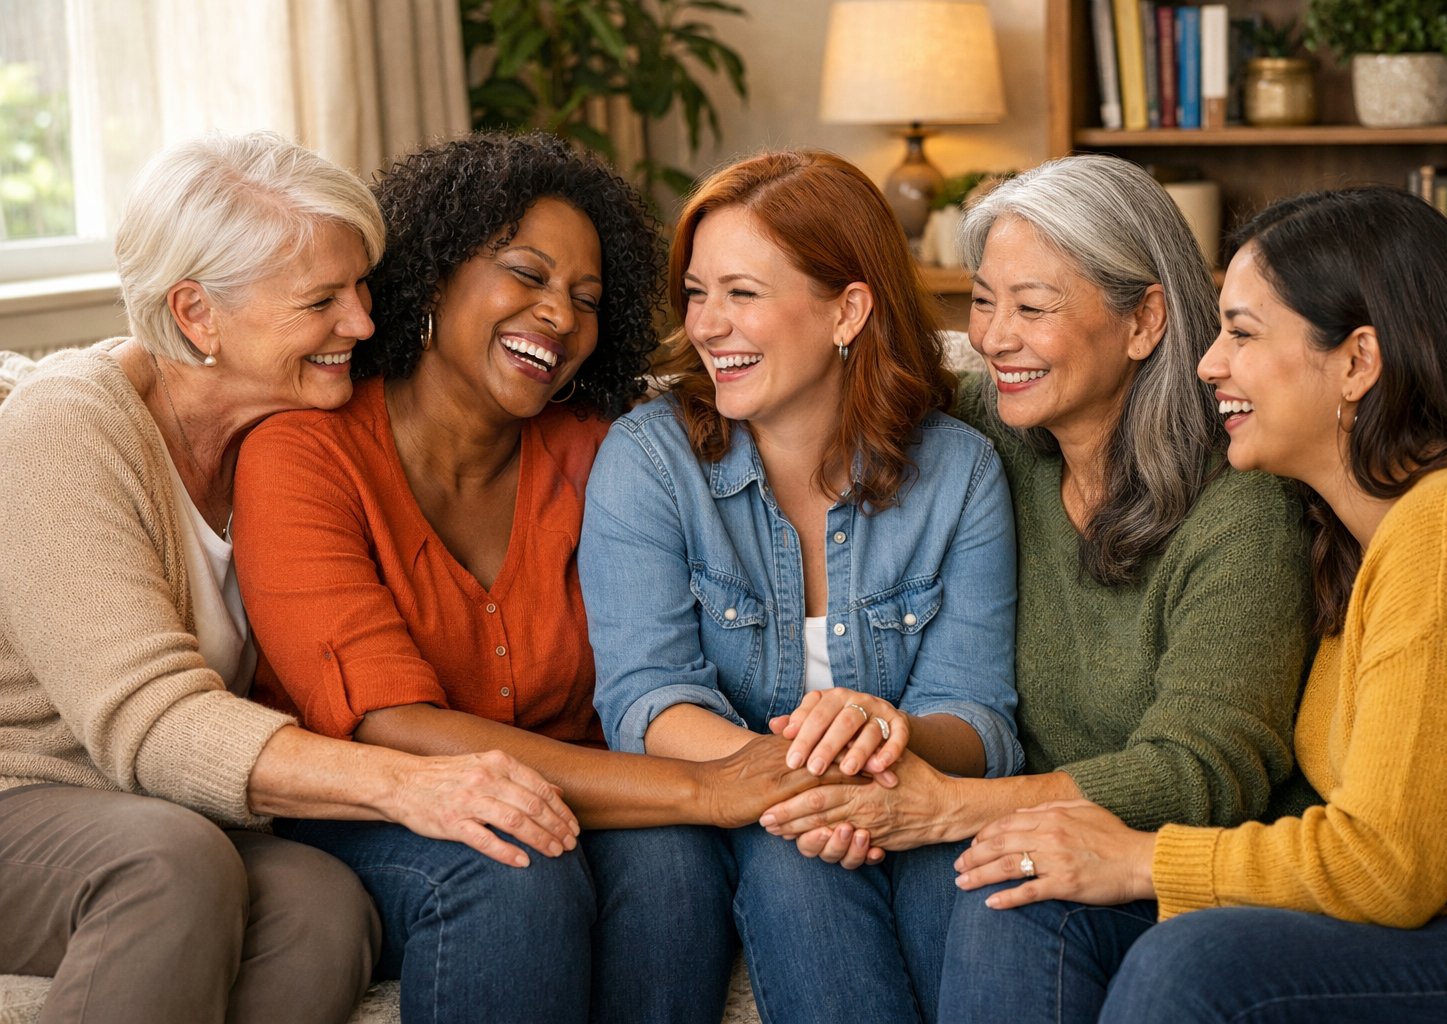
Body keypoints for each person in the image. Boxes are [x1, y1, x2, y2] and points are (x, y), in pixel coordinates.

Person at [231, 133, 846, 1024]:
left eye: (586, 299)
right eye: (526, 274)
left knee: (676, 867)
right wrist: (711, 787)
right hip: (371, 815)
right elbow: (388, 723)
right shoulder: (302, 455)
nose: (559, 315)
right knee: (513, 866)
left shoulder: (604, 452)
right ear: (435, 276)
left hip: (583, 788)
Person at [0, 133, 582, 1024]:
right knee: (169, 864)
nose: (361, 322)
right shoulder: (64, 432)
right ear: (197, 314)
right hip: (32, 798)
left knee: (321, 904)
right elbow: (151, 724)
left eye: (361, 288)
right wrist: (407, 783)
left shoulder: (286, 443)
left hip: (173, 811)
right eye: (321, 301)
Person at [946, 183, 1447, 1022]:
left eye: (1243, 334)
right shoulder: (1354, 533)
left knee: (1195, 967)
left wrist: (1145, 859)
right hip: (1423, 925)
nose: (1208, 362)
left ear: (1357, 362)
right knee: (1024, 896)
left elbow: (1390, 865)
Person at [751, 154, 1315, 1013]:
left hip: (1173, 875)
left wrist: (953, 809)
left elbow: (1203, 771)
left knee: (1006, 893)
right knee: (814, 855)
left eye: (1032, 307)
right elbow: (841, 397)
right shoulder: (991, 435)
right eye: (982, 300)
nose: (993, 337)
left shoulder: (1242, 508)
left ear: (1144, 321)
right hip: (1016, 826)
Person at [578, 149, 1023, 1024]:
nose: (708, 326)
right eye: (698, 293)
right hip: (721, 797)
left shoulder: (960, 471)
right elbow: (644, 697)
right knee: (796, 865)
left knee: (967, 879)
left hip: (899, 790)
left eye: (742, 294)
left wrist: (886, 730)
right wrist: (797, 775)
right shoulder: (649, 460)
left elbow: (977, 715)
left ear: (848, 309)